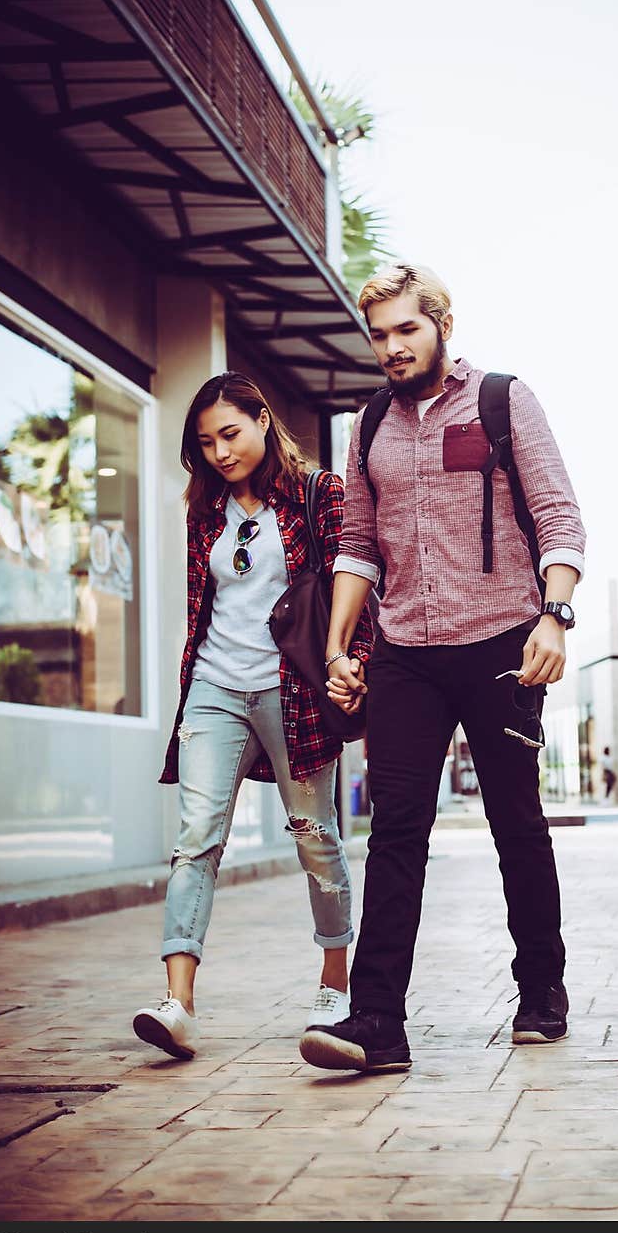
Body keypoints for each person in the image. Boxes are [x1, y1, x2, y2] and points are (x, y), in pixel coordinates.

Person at [299, 262, 587, 1073]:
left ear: (440, 325)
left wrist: (554, 616)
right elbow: (358, 542)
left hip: (502, 645)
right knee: (395, 831)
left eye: (405, 330)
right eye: (380, 334)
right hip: (406, 656)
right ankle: (377, 1025)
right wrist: (338, 649)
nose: (392, 347)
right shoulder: (371, 425)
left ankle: (542, 991)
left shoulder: (501, 399)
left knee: (515, 825)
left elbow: (560, 515)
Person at [132, 372, 373, 1060]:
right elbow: (205, 606)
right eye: (206, 442)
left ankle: (335, 985)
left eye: (230, 434)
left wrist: (348, 660)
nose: (219, 452)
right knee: (197, 836)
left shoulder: (317, 493)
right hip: (214, 685)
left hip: (293, 689)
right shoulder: (205, 510)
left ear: (264, 421)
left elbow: (354, 577)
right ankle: (178, 1002)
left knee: (313, 835)